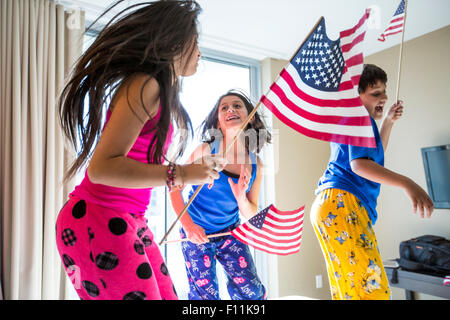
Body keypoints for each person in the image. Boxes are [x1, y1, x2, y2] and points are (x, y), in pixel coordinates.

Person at [55, 0, 221, 300]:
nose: (200, 53)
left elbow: (138, 161)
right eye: (196, 43)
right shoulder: (146, 83)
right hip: (99, 216)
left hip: (129, 216)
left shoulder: (160, 91)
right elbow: (102, 168)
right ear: (175, 42)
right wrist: (181, 173)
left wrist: (186, 174)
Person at [310, 64, 434, 300]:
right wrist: (408, 183)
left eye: (384, 92)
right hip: (342, 203)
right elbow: (361, 166)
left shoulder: (357, 122)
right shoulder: (358, 119)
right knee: (373, 288)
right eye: (376, 93)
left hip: (330, 204)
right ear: (356, 98)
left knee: (351, 289)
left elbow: (373, 160)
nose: (384, 97)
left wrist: (387, 123)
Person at [170, 90, 271, 300]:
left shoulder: (255, 164)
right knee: (205, 297)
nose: (230, 109)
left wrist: (241, 197)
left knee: (252, 291)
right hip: (196, 230)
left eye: (237, 105)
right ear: (218, 123)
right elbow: (173, 187)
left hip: (229, 231)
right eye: (224, 108)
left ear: (250, 117)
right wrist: (188, 227)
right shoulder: (205, 151)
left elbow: (252, 212)